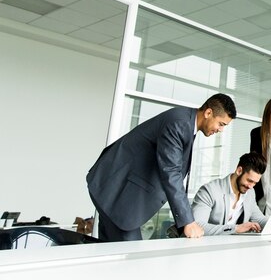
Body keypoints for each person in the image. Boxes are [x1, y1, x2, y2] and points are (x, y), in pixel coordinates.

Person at [86, 93, 237, 242]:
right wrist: (188, 222)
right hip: (114, 188)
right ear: (208, 112)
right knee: (129, 256)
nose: (220, 130)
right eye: (221, 124)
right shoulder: (179, 123)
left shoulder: (186, 122)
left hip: (113, 187)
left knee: (110, 254)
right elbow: (171, 172)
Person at [191, 152, 269, 235]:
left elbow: (259, 219)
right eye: (249, 181)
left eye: (255, 183)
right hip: (205, 244)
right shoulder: (209, 191)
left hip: (233, 244)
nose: (251, 186)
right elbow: (197, 225)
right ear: (239, 171)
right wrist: (236, 228)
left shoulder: (250, 193)